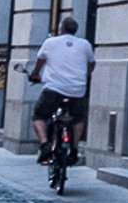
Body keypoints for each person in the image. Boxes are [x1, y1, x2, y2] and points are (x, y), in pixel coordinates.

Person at [31, 16, 96, 166]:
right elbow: (92, 63)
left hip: (54, 89)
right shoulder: (84, 44)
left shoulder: (50, 42)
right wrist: (85, 75)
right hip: (77, 90)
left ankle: (45, 144)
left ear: (61, 29)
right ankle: (74, 149)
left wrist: (35, 74)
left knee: (39, 116)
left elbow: (40, 60)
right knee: (78, 119)